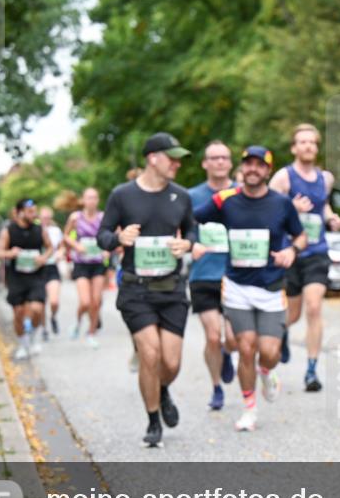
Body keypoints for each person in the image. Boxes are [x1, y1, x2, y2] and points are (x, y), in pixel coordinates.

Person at [194, 146, 307, 432]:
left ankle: (266, 372)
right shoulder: (225, 200)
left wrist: (291, 251)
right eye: (249, 164)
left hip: (270, 288)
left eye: (260, 165)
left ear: (268, 171)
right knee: (246, 348)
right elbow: (192, 219)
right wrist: (192, 241)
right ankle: (249, 409)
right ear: (242, 168)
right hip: (236, 286)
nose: (253, 169)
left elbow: (301, 236)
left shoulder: (282, 204)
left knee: (268, 352)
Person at [97, 133, 194, 448]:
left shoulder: (181, 196)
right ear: (153, 158)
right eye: (172, 158)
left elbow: (192, 227)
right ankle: (153, 419)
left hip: (172, 289)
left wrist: (188, 242)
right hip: (136, 290)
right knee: (150, 354)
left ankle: (162, 390)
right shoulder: (122, 195)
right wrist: (118, 239)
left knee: (172, 363)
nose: (177, 164)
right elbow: (101, 235)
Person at [269, 124, 340, 392]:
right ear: (294, 147)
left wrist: (331, 218)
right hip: (291, 254)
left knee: (314, 308)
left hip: (317, 252)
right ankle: (283, 332)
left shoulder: (326, 178)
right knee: (293, 313)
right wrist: (291, 208)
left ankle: (311, 370)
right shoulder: (283, 178)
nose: (308, 146)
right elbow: (267, 210)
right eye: (302, 142)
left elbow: (322, 206)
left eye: (312, 142)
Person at [187, 141, 239, 410]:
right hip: (203, 275)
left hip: (235, 276)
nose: (219, 162)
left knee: (231, 338)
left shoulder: (242, 193)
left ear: (230, 163)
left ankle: (228, 354)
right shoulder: (192, 195)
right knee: (211, 336)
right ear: (205, 163)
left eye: (224, 157)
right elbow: (184, 227)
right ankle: (216, 387)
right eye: (213, 158)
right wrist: (191, 242)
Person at [0, 199, 55, 360]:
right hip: (16, 277)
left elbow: (50, 247)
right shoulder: (9, 230)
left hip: (36, 276)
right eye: (29, 211)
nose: (33, 214)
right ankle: (22, 344)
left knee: (36, 309)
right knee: (19, 313)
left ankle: (33, 338)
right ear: (19, 212)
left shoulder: (39, 229)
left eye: (34, 210)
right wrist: (10, 253)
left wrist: (44, 257)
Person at [64, 187, 108, 349]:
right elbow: (66, 236)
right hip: (81, 263)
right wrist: (76, 245)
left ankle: (91, 333)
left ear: (98, 200)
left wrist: (106, 250)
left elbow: (109, 236)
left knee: (96, 301)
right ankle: (77, 323)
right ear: (83, 200)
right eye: (88, 197)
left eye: (94, 198)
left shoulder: (103, 217)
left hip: (97, 263)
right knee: (85, 302)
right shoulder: (75, 217)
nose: (92, 201)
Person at [39, 206, 65, 339]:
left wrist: (60, 253)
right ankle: (44, 329)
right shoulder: (35, 230)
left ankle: (53, 317)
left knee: (54, 301)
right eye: (43, 217)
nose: (45, 220)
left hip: (52, 267)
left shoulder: (56, 231)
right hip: (39, 269)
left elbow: (61, 247)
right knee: (42, 302)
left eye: (48, 217)